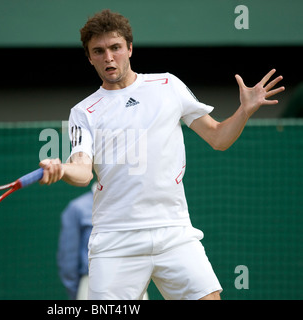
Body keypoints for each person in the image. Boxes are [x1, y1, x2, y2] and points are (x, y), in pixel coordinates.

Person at [40, 9, 284, 300]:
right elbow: (82, 171)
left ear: (129, 48)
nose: (109, 57)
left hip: (174, 231)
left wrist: (244, 111)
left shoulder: (168, 85)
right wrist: (63, 169)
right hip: (116, 239)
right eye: (99, 51)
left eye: (115, 48)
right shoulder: (83, 112)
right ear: (89, 57)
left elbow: (218, 138)